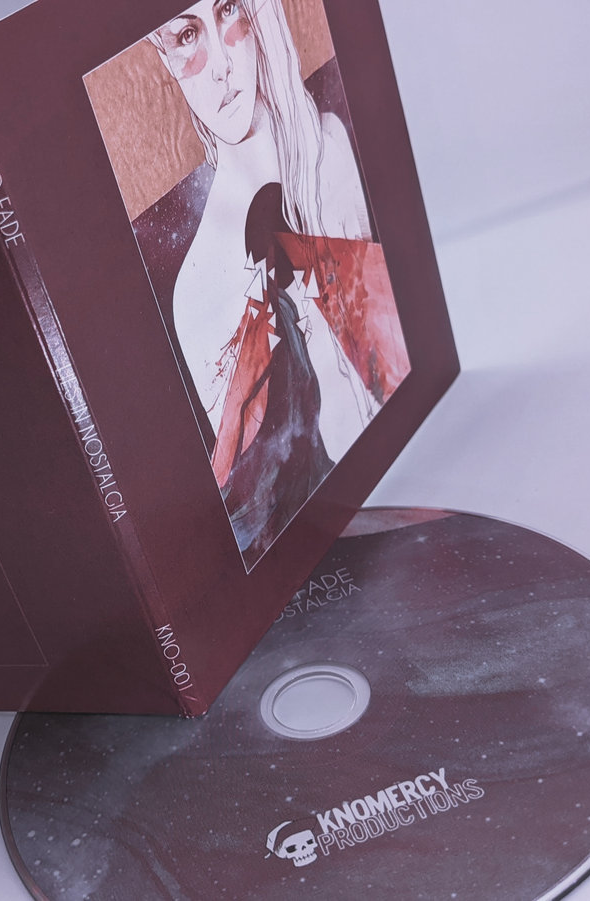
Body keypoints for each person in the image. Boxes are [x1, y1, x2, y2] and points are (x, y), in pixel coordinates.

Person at [148, 0, 382, 562]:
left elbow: (385, 369)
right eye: (186, 36)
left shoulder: (330, 148)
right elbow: (257, 511)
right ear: (162, 57)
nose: (222, 65)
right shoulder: (197, 288)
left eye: (228, 9)